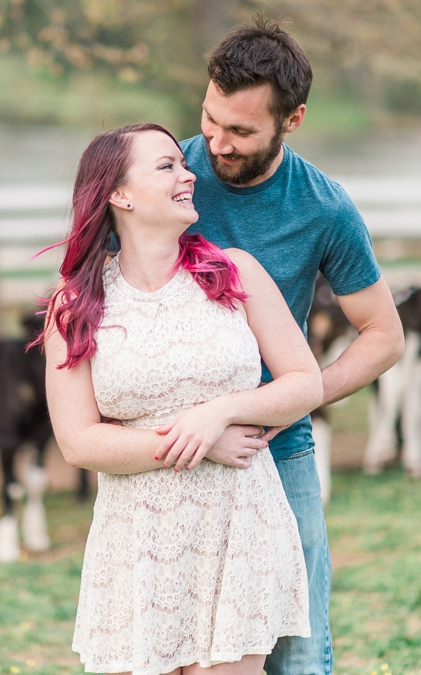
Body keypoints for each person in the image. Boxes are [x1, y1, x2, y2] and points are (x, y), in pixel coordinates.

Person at [37, 123, 324, 674]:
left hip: (239, 526)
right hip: (137, 540)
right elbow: (77, 442)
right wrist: (197, 442)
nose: (188, 172)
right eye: (166, 165)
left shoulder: (235, 272)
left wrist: (218, 414)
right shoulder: (75, 305)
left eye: (182, 164)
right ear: (118, 194)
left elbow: (303, 382)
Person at [179, 17, 404, 675]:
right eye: (210, 118)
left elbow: (385, 335)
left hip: (283, 451)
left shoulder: (324, 207)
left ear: (293, 119)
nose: (216, 142)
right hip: (178, 448)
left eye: (240, 131)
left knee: (299, 650)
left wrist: (288, 399)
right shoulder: (167, 175)